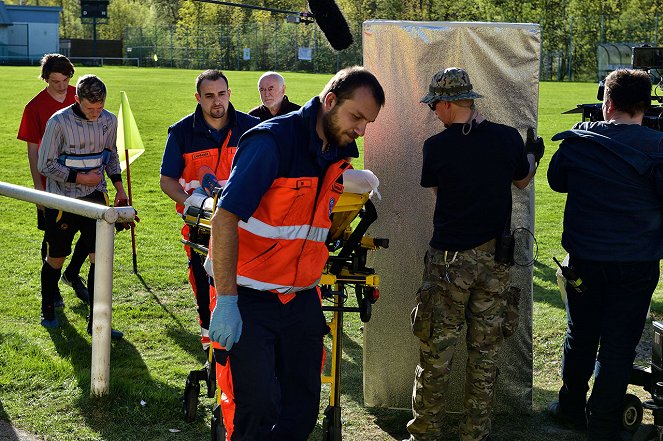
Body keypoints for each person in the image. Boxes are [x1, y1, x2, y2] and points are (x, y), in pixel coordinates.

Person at [208, 66, 385, 441]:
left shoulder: (336, 153)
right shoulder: (272, 142)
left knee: (301, 409)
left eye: (368, 122)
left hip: (302, 298)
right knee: (256, 408)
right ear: (331, 101)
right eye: (357, 116)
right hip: (249, 299)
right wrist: (226, 299)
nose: (362, 130)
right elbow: (225, 218)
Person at [405, 67, 542, 441]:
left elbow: (438, 194)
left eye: (435, 104)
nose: (434, 111)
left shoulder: (435, 147)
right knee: (485, 356)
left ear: (449, 103)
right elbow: (522, 180)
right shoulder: (506, 138)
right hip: (495, 261)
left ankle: (425, 434)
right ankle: (474, 434)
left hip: (449, 263)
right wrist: (532, 156)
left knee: (436, 354)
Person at [547, 68, 663, 441]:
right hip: (636, 263)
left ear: (606, 103)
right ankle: (603, 421)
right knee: (619, 344)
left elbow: (556, 180)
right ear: (645, 106)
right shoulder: (656, 147)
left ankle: (571, 407)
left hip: (586, 260)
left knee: (581, 334)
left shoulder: (580, 141)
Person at [159, 69, 260, 352]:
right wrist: (189, 201)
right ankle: (209, 343)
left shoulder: (254, 127)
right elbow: (166, 180)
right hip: (199, 225)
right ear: (198, 98)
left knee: (248, 281)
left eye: (222, 94)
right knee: (203, 282)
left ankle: (248, 338)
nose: (217, 102)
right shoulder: (181, 132)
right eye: (209, 96)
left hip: (247, 222)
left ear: (230, 94)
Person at [37, 74, 127, 340]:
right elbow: (45, 164)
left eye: (100, 108)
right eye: (90, 108)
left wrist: (119, 188)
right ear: (76, 99)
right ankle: (48, 308)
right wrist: (78, 177)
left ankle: (97, 322)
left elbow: (111, 156)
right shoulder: (58, 122)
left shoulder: (109, 120)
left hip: (96, 197)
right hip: (63, 200)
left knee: (100, 259)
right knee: (56, 257)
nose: (96, 113)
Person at [17, 53, 90, 307]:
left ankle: (72, 273)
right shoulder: (34, 107)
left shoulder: (80, 96)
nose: (61, 86)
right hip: (52, 184)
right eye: (55, 81)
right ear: (45, 78)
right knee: (52, 237)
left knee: (91, 232)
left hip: (83, 182)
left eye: (65, 79)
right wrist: (39, 189)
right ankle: (51, 291)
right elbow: (33, 150)